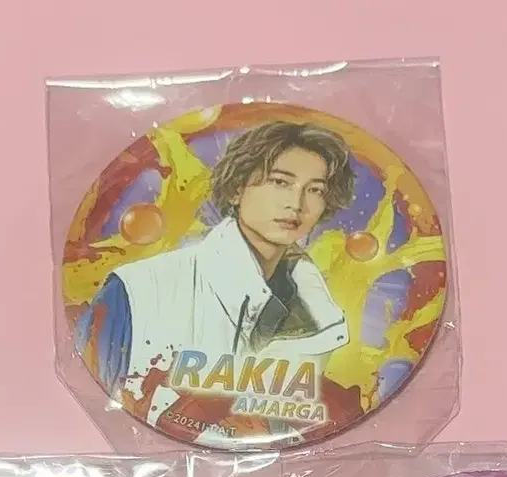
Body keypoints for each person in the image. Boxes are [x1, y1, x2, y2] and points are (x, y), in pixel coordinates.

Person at [73, 120, 356, 425]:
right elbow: (95, 403)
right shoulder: (136, 290)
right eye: (280, 182)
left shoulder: (319, 314)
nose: (296, 204)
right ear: (237, 189)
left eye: (314, 190)